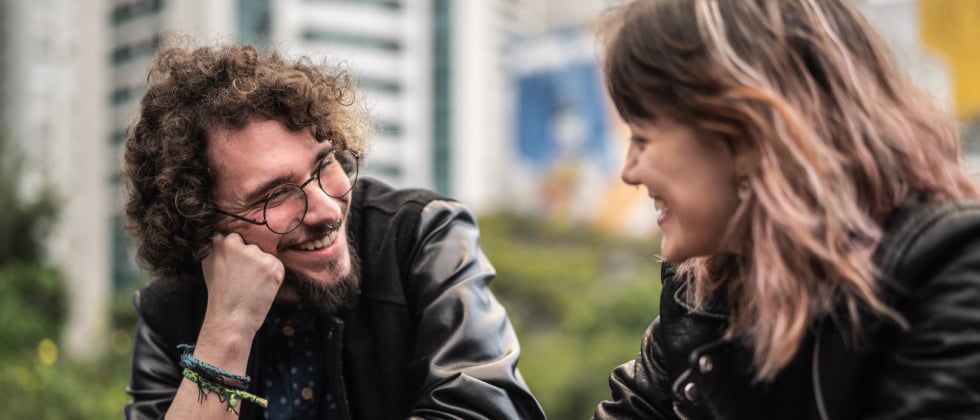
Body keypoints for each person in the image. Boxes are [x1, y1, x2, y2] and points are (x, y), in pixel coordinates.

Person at [592, 0, 980, 419]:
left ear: (746, 135)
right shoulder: (699, 302)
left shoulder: (946, 268)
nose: (629, 171)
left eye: (642, 138)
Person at [121, 42, 545, 420]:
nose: (327, 210)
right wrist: (226, 335)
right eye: (275, 195)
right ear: (201, 224)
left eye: (325, 164)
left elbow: (490, 408)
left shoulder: (422, 237)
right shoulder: (171, 312)